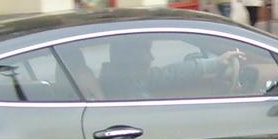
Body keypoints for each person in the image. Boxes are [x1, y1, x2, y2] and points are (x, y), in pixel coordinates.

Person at [97, 34, 242, 100]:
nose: (152, 57)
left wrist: (215, 62)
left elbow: (170, 73)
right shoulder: (125, 89)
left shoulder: (128, 77)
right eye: (146, 51)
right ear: (128, 57)